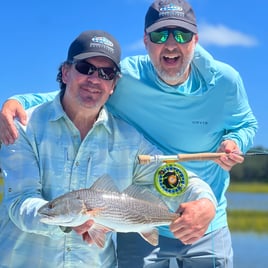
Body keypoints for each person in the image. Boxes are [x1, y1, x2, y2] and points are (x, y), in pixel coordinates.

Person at [0, 0, 258, 267]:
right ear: (65, 72)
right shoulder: (24, 127)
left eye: (106, 73)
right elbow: (19, 199)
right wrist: (17, 100)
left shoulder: (131, 141)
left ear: (114, 86)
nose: (94, 79)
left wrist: (205, 201)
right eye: (86, 68)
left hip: (200, 226)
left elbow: (169, 172)